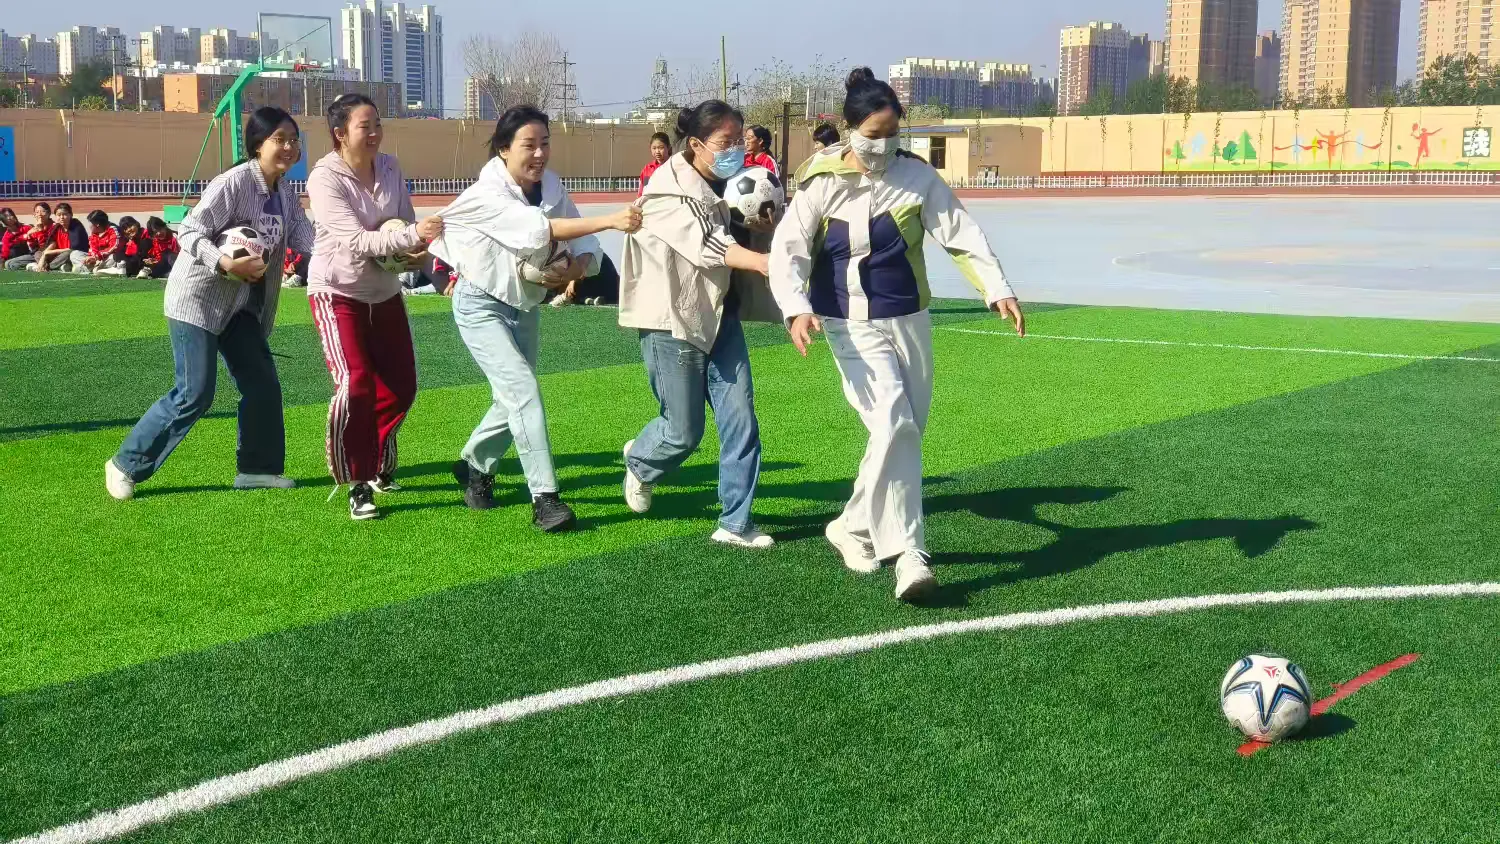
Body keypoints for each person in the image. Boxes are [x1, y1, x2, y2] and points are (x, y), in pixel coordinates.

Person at [768, 68, 1026, 602]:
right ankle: (910, 554)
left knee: (900, 433)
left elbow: (961, 234)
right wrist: (795, 308)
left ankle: (851, 525)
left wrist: (996, 289)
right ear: (850, 128)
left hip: (909, 318)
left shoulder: (917, 177)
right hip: (847, 321)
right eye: (873, 134)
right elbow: (788, 249)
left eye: (892, 134)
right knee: (894, 422)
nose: (883, 144)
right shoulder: (820, 180)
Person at [432, 106, 641, 531]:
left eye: (545, 143)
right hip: (479, 303)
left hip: (525, 304)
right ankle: (545, 500)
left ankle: (475, 464)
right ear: (503, 149)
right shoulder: (488, 193)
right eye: (529, 145)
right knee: (523, 391)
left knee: (511, 397)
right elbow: (538, 230)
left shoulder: (551, 185)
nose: (540, 153)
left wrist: (577, 267)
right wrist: (613, 220)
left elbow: (585, 242)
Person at [105, 106, 315, 501]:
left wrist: (352, 257)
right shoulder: (233, 182)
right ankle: (125, 464)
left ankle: (257, 470)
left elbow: (308, 239)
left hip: (239, 305)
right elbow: (189, 230)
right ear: (258, 144)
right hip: (197, 300)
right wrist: (224, 262)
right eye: (280, 139)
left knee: (262, 383)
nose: (289, 147)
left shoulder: (286, 193)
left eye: (294, 140)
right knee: (195, 393)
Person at [619, 100, 782, 549]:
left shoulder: (738, 182)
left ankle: (735, 523)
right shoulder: (666, 191)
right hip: (672, 319)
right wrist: (763, 262)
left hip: (720, 314)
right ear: (695, 144)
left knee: (741, 419)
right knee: (682, 431)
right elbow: (708, 246)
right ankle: (642, 460)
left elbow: (741, 229)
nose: (735, 150)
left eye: (739, 140)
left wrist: (768, 227)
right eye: (724, 142)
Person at [306, 93, 443, 521]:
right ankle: (357, 480)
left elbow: (402, 222)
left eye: (378, 124)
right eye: (365, 126)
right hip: (337, 291)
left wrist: (417, 252)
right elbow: (357, 240)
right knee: (356, 384)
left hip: (384, 291)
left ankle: (377, 457)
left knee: (402, 387)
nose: (375, 133)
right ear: (340, 133)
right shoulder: (323, 178)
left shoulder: (391, 166)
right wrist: (412, 235)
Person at [32, 203, 88, 273]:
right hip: (58, 255)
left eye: (65, 214)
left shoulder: (75, 225)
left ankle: (47, 266)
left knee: (69, 253)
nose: (61, 217)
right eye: (59, 215)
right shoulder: (57, 227)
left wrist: (47, 253)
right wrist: (44, 255)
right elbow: (52, 243)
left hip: (71, 253)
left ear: (71, 215)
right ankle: (53, 266)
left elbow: (73, 248)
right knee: (38, 253)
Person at [12, 203, 53, 271]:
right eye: (37, 212)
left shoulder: (54, 226)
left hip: (48, 253)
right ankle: (35, 265)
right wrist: (28, 235)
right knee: (10, 264)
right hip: (35, 255)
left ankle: (42, 266)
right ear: (34, 215)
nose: (39, 214)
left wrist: (40, 231)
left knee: (38, 254)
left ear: (49, 213)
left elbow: (44, 246)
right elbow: (18, 240)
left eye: (43, 211)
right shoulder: (34, 229)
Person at [83, 210, 123, 275]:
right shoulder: (94, 233)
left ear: (97, 224)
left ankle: (104, 269)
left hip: (111, 258)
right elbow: (93, 248)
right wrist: (92, 258)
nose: (89, 226)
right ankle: (96, 268)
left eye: (90, 223)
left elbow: (114, 247)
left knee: (113, 257)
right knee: (75, 254)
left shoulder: (113, 230)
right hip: (99, 259)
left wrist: (96, 257)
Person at [638, 132, 672, 197]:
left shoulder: (675, 165)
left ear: (669, 147)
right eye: (654, 148)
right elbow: (644, 189)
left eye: (661, 148)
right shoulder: (647, 169)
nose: (657, 151)